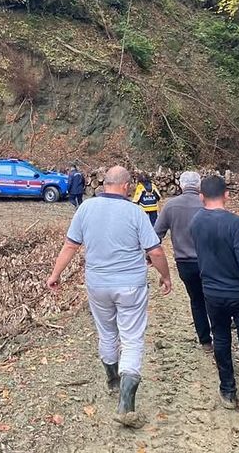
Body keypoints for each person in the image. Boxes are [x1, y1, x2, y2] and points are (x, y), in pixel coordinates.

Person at [46, 165, 173, 428]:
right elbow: (156, 251)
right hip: (131, 286)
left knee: (107, 333)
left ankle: (112, 379)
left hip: (97, 284)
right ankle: (126, 403)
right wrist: (166, 276)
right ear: (126, 186)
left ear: (104, 184)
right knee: (132, 337)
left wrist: (55, 274)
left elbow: (70, 245)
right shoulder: (135, 212)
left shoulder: (85, 209)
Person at [191, 175, 239, 431]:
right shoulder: (235, 223)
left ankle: (227, 391)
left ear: (201, 195)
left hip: (211, 292)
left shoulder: (196, 221)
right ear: (227, 194)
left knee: (221, 339)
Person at [154, 171, 213, 352]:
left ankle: (205, 341)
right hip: (210, 261)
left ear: (180, 185)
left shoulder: (171, 206)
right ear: (199, 186)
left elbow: (156, 234)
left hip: (185, 263)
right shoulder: (208, 203)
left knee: (196, 300)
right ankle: (221, 335)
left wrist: (152, 258)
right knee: (214, 298)